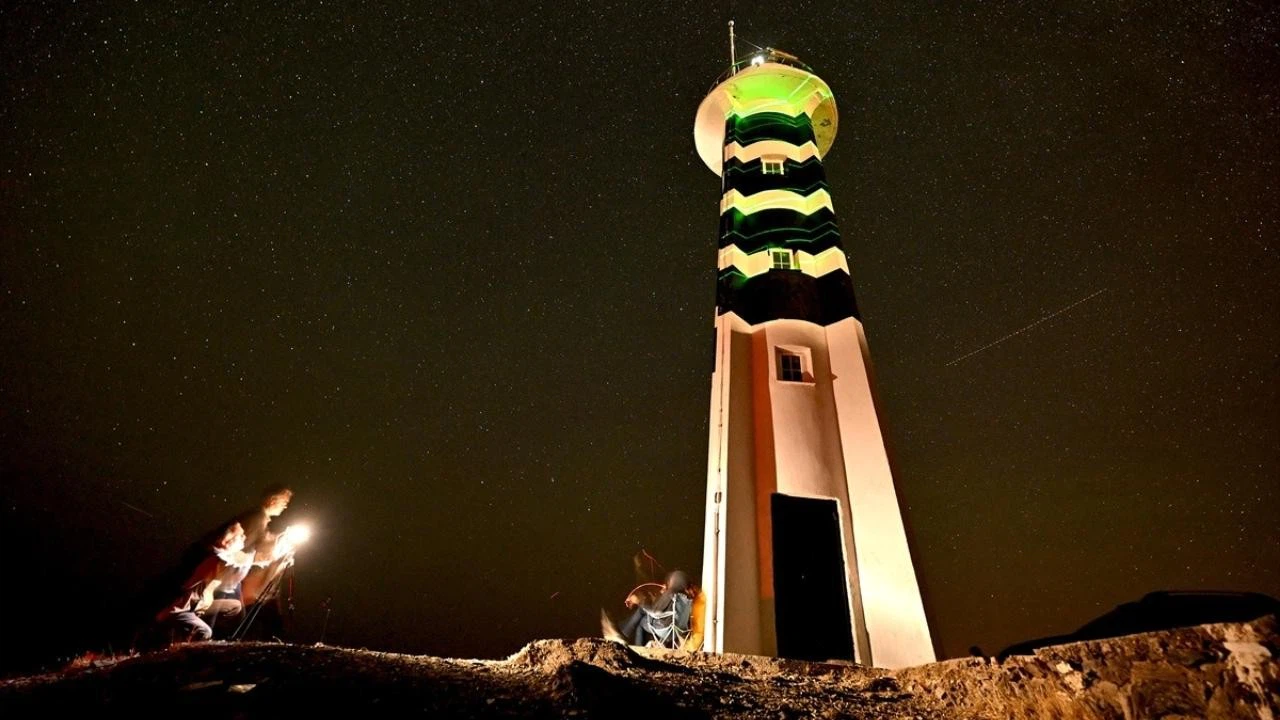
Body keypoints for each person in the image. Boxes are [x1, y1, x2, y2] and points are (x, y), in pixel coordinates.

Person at [152, 523, 247, 644]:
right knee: (205, 632)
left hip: (198, 606)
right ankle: (183, 642)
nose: (244, 537)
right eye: (240, 535)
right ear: (226, 541)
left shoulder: (221, 558)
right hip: (180, 610)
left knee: (234, 606)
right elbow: (185, 585)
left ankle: (193, 626)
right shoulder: (214, 559)